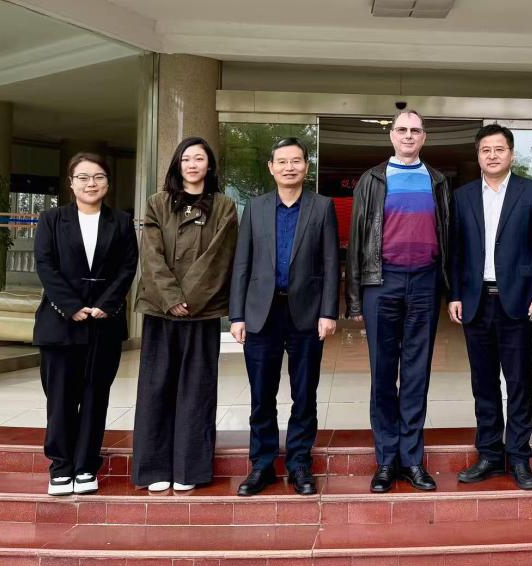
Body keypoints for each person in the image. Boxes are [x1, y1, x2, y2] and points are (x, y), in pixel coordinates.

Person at [346, 109, 451, 493]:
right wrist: (354, 300)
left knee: (417, 373)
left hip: (425, 282)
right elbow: (357, 239)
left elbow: (450, 236)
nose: (408, 135)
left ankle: (412, 459)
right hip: (382, 281)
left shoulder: (437, 180)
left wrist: (451, 289)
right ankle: (386, 460)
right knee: (383, 372)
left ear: (424, 137)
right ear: (391, 135)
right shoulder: (372, 179)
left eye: (415, 130)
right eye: (402, 129)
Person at [229, 137, 340, 496]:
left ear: (306, 166)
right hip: (261, 313)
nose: (289, 167)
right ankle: (261, 465)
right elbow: (242, 263)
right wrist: (237, 315)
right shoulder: (255, 207)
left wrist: (328, 311)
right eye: (282, 161)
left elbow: (331, 262)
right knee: (262, 395)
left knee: (304, 394)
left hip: (306, 313)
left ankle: (299, 464)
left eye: (296, 161)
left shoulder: (322, 206)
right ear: (271, 167)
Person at [449, 124, 532, 491]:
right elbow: (456, 251)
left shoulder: (531, 192)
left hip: (519, 302)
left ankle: (519, 457)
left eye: (499, 149)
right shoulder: (462, 196)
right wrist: (455, 294)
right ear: (478, 156)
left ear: (511, 153)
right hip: (476, 301)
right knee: (483, 383)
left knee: (519, 382)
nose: (492, 155)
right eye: (485, 150)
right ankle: (490, 455)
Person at [132, 137, 237, 492]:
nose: (192, 165)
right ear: (178, 165)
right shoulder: (157, 203)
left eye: (199, 158)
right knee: (156, 388)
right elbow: (151, 256)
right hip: (160, 310)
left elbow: (219, 258)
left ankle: (189, 470)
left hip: (202, 312)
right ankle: (154, 469)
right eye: (186, 159)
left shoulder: (224, 206)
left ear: (209, 165)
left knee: (197, 391)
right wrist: (171, 298)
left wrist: (187, 300)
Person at [33, 152, 138, 496]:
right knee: (60, 399)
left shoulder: (121, 222)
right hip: (61, 323)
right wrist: (72, 306)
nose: (90, 184)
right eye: (83, 177)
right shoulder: (51, 219)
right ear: (71, 183)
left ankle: (86, 466)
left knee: (95, 397)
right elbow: (45, 265)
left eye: (98, 177)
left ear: (107, 182)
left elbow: (127, 267)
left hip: (103, 324)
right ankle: (61, 466)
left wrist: (106, 304)